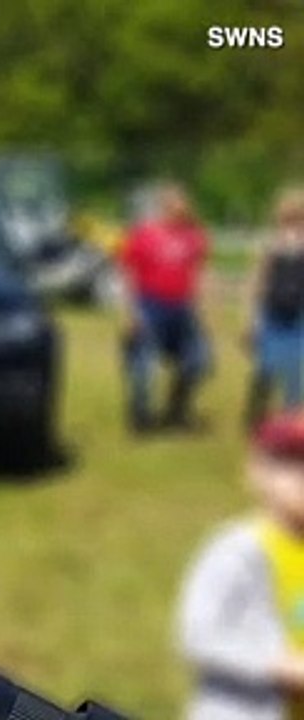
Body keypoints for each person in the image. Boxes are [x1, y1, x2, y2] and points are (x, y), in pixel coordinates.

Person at [178, 412, 304, 720]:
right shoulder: (237, 550)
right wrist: (279, 665)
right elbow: (197, 635)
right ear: (256, 471)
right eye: (292, 465)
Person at [119, 182, 212, 433]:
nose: (181, 210)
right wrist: (131, 312)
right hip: (150, 305)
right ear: (164, 207)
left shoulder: (195, 236)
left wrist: (202, 309)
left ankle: (177, 409)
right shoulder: (144, 234)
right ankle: (140, 418)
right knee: (143, 365)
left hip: (182, 307)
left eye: (184, 205)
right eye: (175, 206)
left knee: (199, 360)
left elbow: (199, 274)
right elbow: (129, 273)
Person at [245, 188, 304, 429]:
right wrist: (253, 320)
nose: (291, 225)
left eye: (296, 218)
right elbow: (257, 283)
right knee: (266, 367)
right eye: (287, 219)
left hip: (298, 316)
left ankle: (293, 418)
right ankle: (255, 416)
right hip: (272, 313)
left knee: (295, 369)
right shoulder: (269, 247)